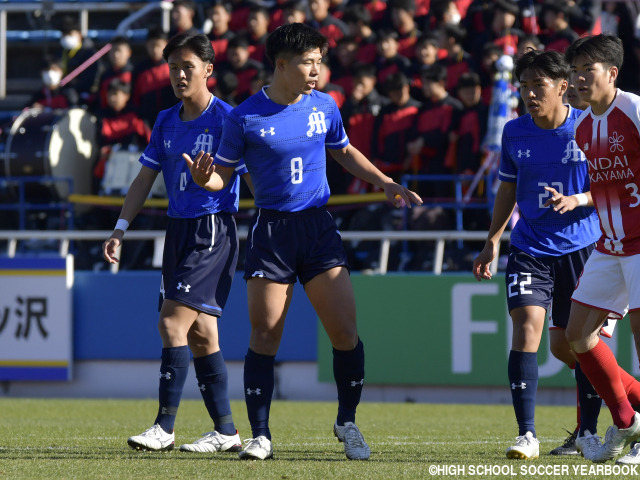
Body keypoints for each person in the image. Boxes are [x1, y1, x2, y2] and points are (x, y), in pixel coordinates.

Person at [183, 22, 422, 461]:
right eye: (308, 62)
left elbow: (343, 151)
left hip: (318, 229)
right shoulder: (244, 116)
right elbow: (222, 174)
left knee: (345, 333)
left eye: (319, 61)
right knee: (265, 334)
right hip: (272, 231)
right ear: (281, 65)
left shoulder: (325, 106)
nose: (316, 69)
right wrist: (206, 178)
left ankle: (347, 422)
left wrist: (386, 181)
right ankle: (260, 435)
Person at [102, 32, 252, 454]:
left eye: (188, 66)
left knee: (171, 323)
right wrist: (120, 228)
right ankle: (226, 432)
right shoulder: (166, 120)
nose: (179, 74)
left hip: (211, 229)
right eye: (173, 67)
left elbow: (249, 176)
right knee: (203, 334)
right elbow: (144, 178)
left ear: (208, 70)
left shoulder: (228, 120)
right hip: (177, 229)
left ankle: (164, 427)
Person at [472, 49, 606, 460]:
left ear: (563, 87)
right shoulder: (514, 132)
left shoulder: (589, 128)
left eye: (538, 86)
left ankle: (587, 432)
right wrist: (493, 239)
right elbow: (508, 189)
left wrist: (578, 199)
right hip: (530, 246)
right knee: (527, 327)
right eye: (524, 86)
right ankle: (526, 435)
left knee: (572, 347)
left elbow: (611, 186)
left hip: (583, 247)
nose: (529, 94)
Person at [564, 33, 640, 464]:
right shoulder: (581, 125)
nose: (577, 79)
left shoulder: (633, 108)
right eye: (574, 71)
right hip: (609, 246)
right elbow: (605, 184)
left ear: (612, 73)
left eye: (586, 70)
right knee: (578, 335)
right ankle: (628, 422)